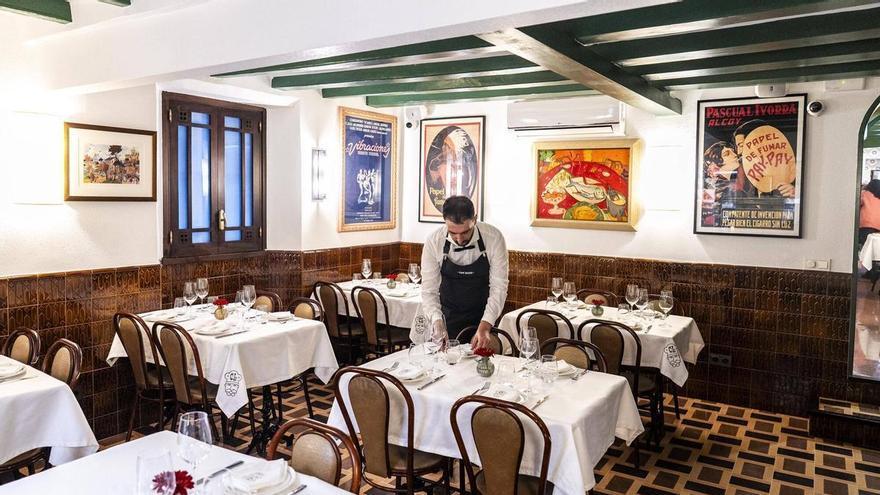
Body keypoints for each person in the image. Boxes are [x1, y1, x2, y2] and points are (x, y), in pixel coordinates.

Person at [420, 196, 509, 349]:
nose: (459, 239)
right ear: (444, 222)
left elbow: (499, 288)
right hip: (448, 318)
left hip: (484, 316)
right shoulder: (434, 241)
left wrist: (485, 326)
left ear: (474, 219)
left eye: (465, 232)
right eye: (453, 233)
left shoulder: (494, 238)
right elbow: (429, 291)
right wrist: (437, 323)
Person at [860, 179, 880, 245]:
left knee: (865, 245)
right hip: (878, 225)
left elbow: (857, 202)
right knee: (875, 245)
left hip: (866, 224)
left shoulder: (865, 193)